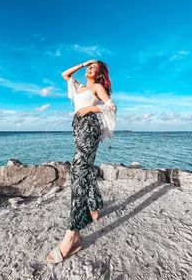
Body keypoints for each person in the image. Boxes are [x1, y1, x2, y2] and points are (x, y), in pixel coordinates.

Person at [46, 60, 117, 264]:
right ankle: (94, 205)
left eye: (94, 68)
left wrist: (90, 110)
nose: (90, 70)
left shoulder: (97, 87)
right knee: (84, 169)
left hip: (90, 128)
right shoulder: (80, 86)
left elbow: (111, 107)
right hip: (78, 129)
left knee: (78, 171)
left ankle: (73, 234)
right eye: (89, 68)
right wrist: (84, 62)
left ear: (100, 74)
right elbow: (64, 74)